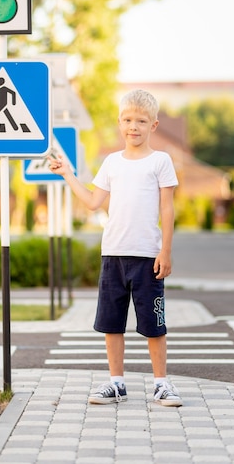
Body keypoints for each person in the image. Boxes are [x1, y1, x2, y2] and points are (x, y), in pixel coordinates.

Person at [48, 89, 182, 407]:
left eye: (140, 121)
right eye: (126, 120)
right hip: (113, 255)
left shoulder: (160, 161)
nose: (132, 126)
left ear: (154, 125)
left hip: (148, 256)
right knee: (111, 323)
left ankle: (162, 384)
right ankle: (116, 384)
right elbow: (94, 202)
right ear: (119, 122)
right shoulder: (111, 162)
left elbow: (167, 210)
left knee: (153, 325)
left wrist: (166, 251)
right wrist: (68, 174)